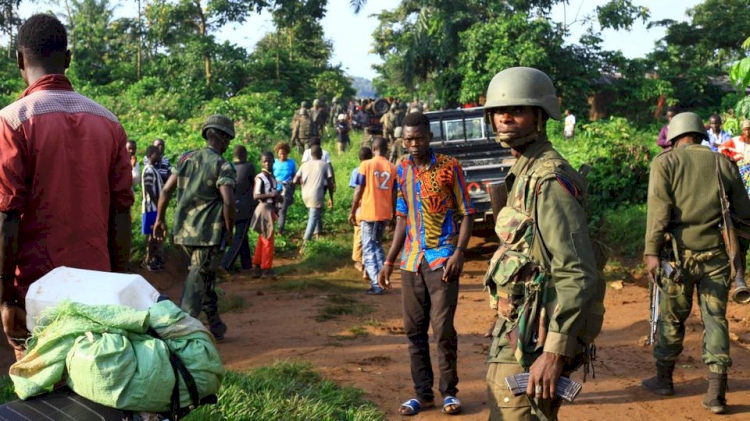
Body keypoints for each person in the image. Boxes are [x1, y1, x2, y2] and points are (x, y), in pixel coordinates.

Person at [0, 13, 134, 358]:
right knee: (95, 386)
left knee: (41, 394)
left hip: (38, 292)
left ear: (18, 60)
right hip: (98, 289)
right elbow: (121, 213)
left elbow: (7, 217)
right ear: (68, 59)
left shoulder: (12, 121)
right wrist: (119, 284)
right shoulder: (109, 123)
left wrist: (6, 297)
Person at [480, 67, 603, 421]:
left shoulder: (548, 180)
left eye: (518, 110)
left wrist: (554, 352)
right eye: (499, 111)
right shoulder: (524, 172)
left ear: (540, 115)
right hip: (520, 328)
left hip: (539, 338)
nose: (505, 117)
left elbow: (577, 272)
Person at [642, 112, 750, 414]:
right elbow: (744, 212)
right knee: (715, 319)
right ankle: (716, 393)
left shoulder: (665, 163)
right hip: (716, 256)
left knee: (672, 318)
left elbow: (659, 212)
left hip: (676, 258)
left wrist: (651, 252)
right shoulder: (723, 163)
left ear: (674, 137)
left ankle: (664, 379)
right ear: (702, 135)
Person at [377, 112, 474, 416]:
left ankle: (449, 392)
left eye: (418, 138)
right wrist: (389, 260)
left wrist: (459, 252)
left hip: (443, 258)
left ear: (429, 136)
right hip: (411, 261)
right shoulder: (402, 168)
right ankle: (423, 394)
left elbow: (467, 212)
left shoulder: (449, 166)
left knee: (442, 328)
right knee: (413, 330)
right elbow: (402, 218)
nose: (413, 144)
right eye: (407, 139)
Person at [154, 114, 236, 341]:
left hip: (183, 233)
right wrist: (230, 231)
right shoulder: (222, 165)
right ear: (222, 138)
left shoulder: (185, 158)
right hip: (207, 234)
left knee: (204, 276)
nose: (228, 143)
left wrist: (160, 219)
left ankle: (215, 325)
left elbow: (166, 190)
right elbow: (228, 202)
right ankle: (180, 334)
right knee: (197, 280)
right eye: (227, 138)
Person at [349, 138, 396, 295]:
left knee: (368, 248)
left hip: (368, 212)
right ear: (386, 149)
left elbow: (359, 189)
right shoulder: (392, 167)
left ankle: (376, 284)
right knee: (377, 245)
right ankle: (383, 279)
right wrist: (394, 213)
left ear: (374, 148)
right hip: (384, 213)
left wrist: (353, 210)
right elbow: (395, 193)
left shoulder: (366, 165)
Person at [221, 145, 256, 272]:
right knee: (239, 238)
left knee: (242, 237)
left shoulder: (229, 168)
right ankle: (225, 265)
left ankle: (246, 264)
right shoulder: (249, 167)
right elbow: (254, 184)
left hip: (229, 206)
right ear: (245, 154)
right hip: (245, 207)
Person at [294, 145, 335, 245]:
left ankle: (317, 235)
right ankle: (305, 242)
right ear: (321, 154)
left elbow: (295, 180)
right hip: (316, 194)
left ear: (311, 154)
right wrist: (331, 196)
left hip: (305, 194)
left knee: (314, 214)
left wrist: (303, 182)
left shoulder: (304, 165)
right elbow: (330, 182)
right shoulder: (325, 165)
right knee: (312, 218)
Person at [249, 152, 281, 279]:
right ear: (262, 163)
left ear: (274, 161)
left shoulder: (272, 177)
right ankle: (266, 269)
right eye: (265, 161)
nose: (267, 163)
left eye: (269, 161)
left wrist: (278, 198)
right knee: (268, 240)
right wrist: (272, 196)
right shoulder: (260, 178)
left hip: (270, 209)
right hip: (264, 209)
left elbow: (273, 194)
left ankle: (257, 265)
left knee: (263, 238)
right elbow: (256, 196)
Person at [350, 147, 373, 279]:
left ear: (359, 159)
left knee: (359, 235)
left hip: (360, 208)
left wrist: (352, 210)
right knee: (370, 238)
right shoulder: (375, 170)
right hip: (373, 208)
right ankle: (366, 265)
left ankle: (359, 262)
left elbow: (356, 190)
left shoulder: (356, 171)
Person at [141, 145, 165, 271]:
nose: (159, 157)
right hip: (151, 208)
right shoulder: (149, 170)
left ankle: (152, 259)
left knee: (154, 236)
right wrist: (158, 203)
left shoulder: (152, 169)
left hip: (154, 208)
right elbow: (149, 188)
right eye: (157, 154)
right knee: (151, 236)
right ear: (150, 155)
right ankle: (147, 261)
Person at [718, 120, 750, 196]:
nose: (747, 132)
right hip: (742, 171)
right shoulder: (737, 140)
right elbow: (721, 148)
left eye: (749, 129)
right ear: (742, 130)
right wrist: (734, 157)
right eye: (745, 130)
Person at [272, 142, 297, 235]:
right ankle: (272, 227)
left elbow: (294, 176)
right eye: (280, 153)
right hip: (275, 188)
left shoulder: (291, 163)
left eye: (284, 153)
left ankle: (280, 230)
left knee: (283, 209)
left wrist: (293, 188)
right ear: (277, 153)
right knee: (274, 208)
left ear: (287, 153)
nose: (282, 155)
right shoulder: (274, 163)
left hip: (287, 188)